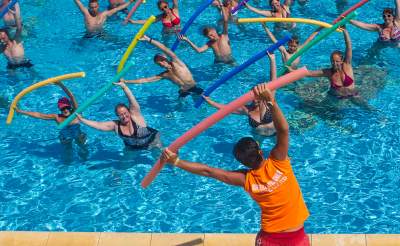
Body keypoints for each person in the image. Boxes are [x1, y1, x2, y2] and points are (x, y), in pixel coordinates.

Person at [160, 83, 310, 246]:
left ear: (242, 163)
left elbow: (208, 171)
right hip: (297, 236)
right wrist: (272, 102)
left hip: (270, 237)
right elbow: (283, 130)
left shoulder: (245, 179)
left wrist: (176, 161)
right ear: (260, 150)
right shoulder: (279, 161)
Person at [203, 52, 277, 136]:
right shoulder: (247, 110)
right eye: (253, 97)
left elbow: (273, 80)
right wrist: (210, 102)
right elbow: (227, 109)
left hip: (275, 135)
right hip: (258, 136)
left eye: (257, 96)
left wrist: (272, 60)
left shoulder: (267, 101)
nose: (255, 99)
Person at [77, 80, 161, 150]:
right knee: (124, 165)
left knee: (162, 156)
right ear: (117, 116)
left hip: (152, 141)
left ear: (129, 112)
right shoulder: (116, 126)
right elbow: (98, 125)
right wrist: (82, 120)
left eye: (125, 113)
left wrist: (124, 87)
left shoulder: (135, 116)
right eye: (121, 115)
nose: (124, 116)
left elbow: (133, 102)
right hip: (133, 147)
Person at [122, 35, 203, 98]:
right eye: (159, 63)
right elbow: (145, 80)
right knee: (180, 104)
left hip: (194, 87)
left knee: (203, 100)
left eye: (161, 60)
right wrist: (127, 81)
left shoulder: (177, 62)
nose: (161, 63)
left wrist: (149, 40)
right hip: (183, 92)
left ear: (165, 58)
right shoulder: (165, 74)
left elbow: (164, 48)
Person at [15, 82, 87, 147]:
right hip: (65, 136)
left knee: (82, 143)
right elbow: (39, 115)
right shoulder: (57, 117)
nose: (65, 110)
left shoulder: (76, 113)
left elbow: (71, 96)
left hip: (78, 135)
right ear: (60, 109)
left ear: (70, 107)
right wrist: (21, 111)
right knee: (67, 149)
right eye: (62, 108)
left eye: (67, 107)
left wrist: (60, 84)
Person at [305, 28, 358, 98]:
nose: (334, 63)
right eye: (332, 61)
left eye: (337, 61)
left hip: (353, 95)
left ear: (341, 61)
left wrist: (345, 31)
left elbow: (349, 45)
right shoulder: (328, 72)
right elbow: (309, 73)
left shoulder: (347, 65)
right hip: (338, 99)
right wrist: (293, 71)